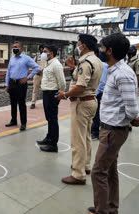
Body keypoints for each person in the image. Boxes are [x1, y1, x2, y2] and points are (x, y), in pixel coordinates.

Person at [87, 33, 139, 214]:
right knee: (109, 170)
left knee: (98, 172)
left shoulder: (123, 74)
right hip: (110, 129)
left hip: (113, 131)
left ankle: (102, 210)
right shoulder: (114, 70)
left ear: (109, 51)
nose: (100, 50)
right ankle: (111, 207)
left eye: (102, 48)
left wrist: (133, 117)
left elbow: (132, 108)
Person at [56, 34, 103, 185]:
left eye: (78, 44)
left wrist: (65, 95)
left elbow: (81, 86)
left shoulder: (85, 62)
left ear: (84, 45)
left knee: (78, 140)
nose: (77, 47)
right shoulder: (96, 60)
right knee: (86, 136)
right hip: (91, 102)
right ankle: (86, 165)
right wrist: (73, 67)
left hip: (81, 103)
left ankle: (78, 174)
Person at [36, 45, 66, 152]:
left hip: (52, 94)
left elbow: (62, 82)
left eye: (45, 51)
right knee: (49, 118)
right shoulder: (48, 64)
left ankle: (53, 144)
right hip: (46, 94)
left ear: (51, 53)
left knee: (53, 119)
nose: (43, 53)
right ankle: (49, 138)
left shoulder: (56, 65)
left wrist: (59, 95)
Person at [5, 41, 40, 131]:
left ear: (21, 48)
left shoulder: (26, 58)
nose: (14, 49)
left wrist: (28, 77)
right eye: (13, 47)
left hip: (21, 84)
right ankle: (13, 120)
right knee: (13, 103)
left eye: (16, 47)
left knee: (21, 104)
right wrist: (7, 84)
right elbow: (8, 72)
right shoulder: (12, 59)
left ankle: (23, 123)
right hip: (12, 83)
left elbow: (37, 67)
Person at [91, 59, 108, 140]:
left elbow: (102, 82)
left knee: (96, 112)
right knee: (96, 112)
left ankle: (95, 132)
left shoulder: (103, 65)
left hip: (100, 92)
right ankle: (95, 129)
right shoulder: (97, 64)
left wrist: (95, 93)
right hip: (97, 91)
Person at [30, 45, 46, 109]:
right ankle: (33, 103)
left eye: (43, 49)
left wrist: (43, 71)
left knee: (45, 89)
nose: (42, 50)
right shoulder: (36, 57)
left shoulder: (47, 58)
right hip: (37, 75)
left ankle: (45, 102)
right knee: (35, 89)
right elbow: (32, 64)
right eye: (41, 49)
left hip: (44, 76)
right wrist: (37, 70)